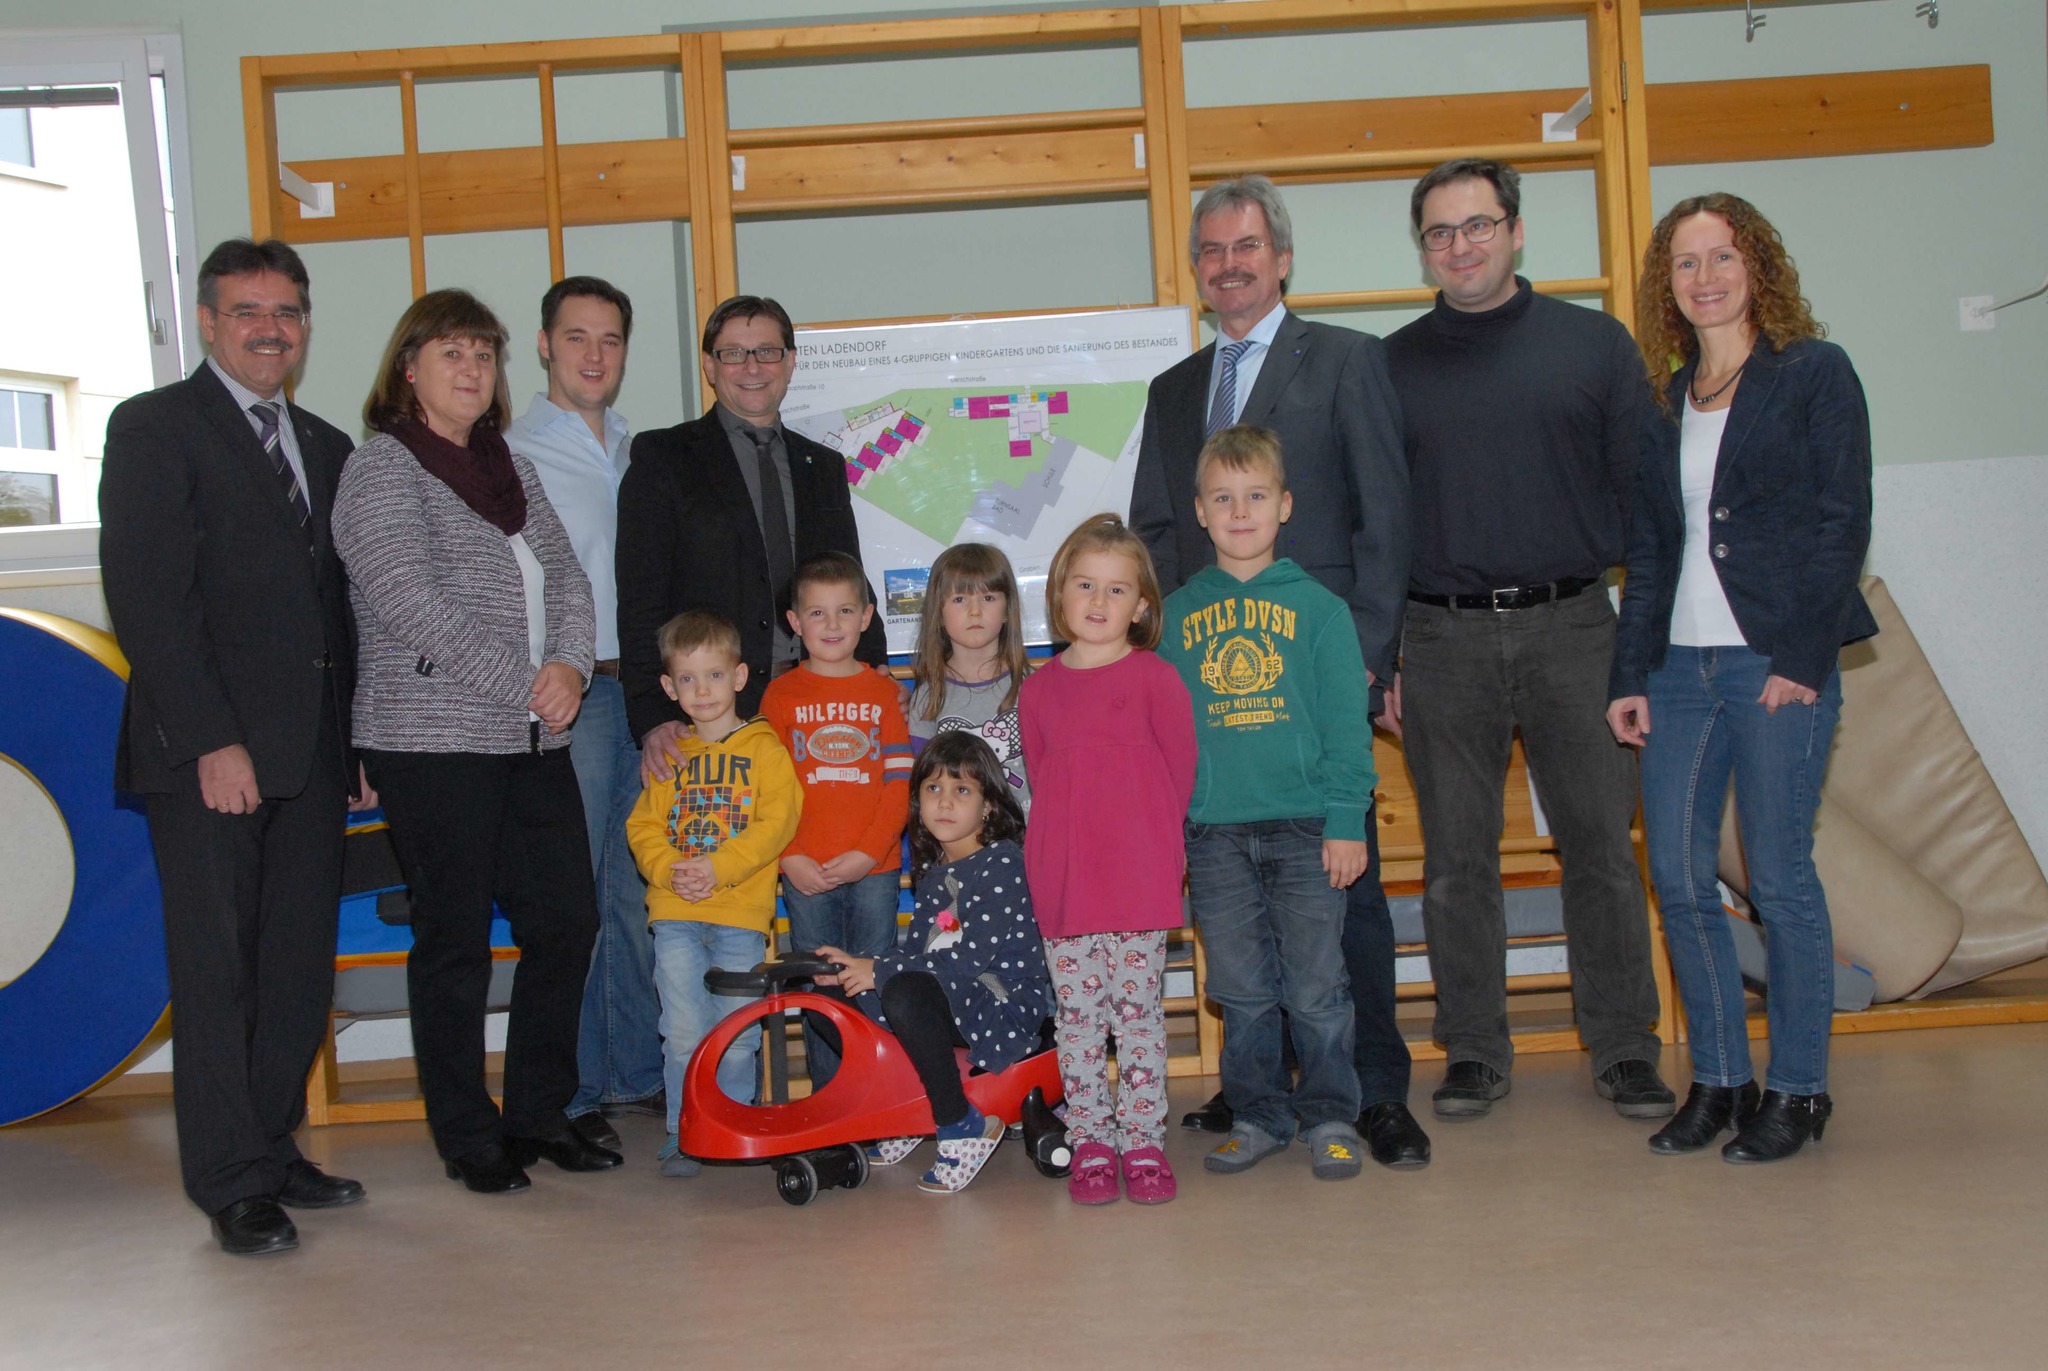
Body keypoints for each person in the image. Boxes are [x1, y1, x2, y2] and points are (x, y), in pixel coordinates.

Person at [1130, 173, 1428, 1169]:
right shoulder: (1172, 392)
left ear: (1281, 257)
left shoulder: (1346, 362)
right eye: (1211, 250)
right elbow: (1156, 535)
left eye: (1246, 246)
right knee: (1240, 927)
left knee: (1344, 907)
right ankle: (1258, 1095)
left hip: (1315, 679)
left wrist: (1375, 659)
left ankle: (1371, 1096)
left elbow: (1384, 518)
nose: (1228, 264)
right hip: (1212, 691)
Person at [1383, 157, 1672, 1123]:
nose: (1459, 245)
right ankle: (1472, 1048)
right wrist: (1381, 656)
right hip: (1442, 637)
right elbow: (1373, 527)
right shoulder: (1392, 364)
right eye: (1439, 231)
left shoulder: (1594, 347)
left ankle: (1626, 1046)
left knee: (1599, 844)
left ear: (1514, 230)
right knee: (1458, 857)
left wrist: (1641, 655)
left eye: (1477, 225)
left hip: (1577, 628)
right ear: (1422, 247)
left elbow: (1648, 505)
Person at [99, 238, 369, 1256]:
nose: (271, 328)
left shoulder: (329, 444)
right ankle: (227, 1181)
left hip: (311, 756)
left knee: (298, 967)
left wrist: (351, 743)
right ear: (209, 320)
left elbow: (333, 614)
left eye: (289, 311)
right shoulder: (155, 428)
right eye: (249, 310)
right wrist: (214, 740)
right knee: (218, 972)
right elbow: (150, 602)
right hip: (207, 755)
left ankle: (269, 1144)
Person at [1608, 193, 1876, 1164]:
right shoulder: (1660, 401)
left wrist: (1802, 662)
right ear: (1666, 287)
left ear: (1755, 265)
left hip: (1772, 665)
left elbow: (1839, 521)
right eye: (1684, 263)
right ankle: (1720, 1080)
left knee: (1777, 877)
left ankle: (1798, 1090)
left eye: (1721, 256)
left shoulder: (1811, 375)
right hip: (1677, 670)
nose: (1704, 277)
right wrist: (1627, 671)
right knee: (1677, 878)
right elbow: (1647, 547)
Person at [334, 288, 618, 1195]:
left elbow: (569, 578)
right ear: (408, 368)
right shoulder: (382, 469)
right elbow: (407, 602)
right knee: (453, 940)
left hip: (531, 735)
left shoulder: (508, 466)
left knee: (566, 922)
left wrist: (570, 663)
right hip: (435, 740)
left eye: (483, 355)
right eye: (450, 353)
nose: (470, 370)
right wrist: (528, 685)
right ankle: (467, 1131)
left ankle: (539, 1110)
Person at [1158, 425, 1375, 1181]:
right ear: (1199, 511)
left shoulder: (1320, 610)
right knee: (1240, 987)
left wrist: (1348, 820)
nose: (1239, 511)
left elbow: (1349, 724)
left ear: (1284, 505)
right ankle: (1257, 1114)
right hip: (1213, 834)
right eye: (1223, 498)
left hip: (1309, 827)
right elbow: (1163, 740)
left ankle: (1331, 1115)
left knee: (1317, 986)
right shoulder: (1176, 616)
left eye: (1255, 497)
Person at [505, 275, 662, 1153]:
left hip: (642, 691)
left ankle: (632, 1072)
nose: (594, 355)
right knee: (575, 899)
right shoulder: (511, 452)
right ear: (543, 345)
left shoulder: (645, 450)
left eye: (610, 339)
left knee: (635, 892)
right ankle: (568, 1089)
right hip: (563, 692)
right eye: (576, 338)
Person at [616, 294, 886, 775]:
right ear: (709, 365)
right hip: (706, 713)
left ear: (790, 362)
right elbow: (640, 598)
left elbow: (849, 577)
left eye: (767, 351)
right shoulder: (664, 457)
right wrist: (654, 717)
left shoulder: (822, 466)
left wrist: (875, 675)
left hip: (815, 702)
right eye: (733, 353)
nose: (752, 366)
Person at [1021, 514, 1196, 1205]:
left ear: (1142, 606)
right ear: (1061, 595)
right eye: (1085, 585)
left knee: (1140, 1015)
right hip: (1066, 884)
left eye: (1116, 589)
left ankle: (1144, 1141)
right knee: (1080, 1019)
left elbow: (1178, 775)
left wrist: (1152, 849)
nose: (1098, 601)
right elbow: (1043, 777)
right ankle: (1092, 1137)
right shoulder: (1039, 689)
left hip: (1139, 878)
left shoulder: (1156, 678)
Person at [815, 732, 1050, 1194]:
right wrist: (859, 966)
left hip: (1001, 1005)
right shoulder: (934, 872)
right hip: (952, 994)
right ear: (918, 801)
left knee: (902, 989)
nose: (944, 802)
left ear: (987, 806)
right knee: (828, 996)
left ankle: (962, 1124)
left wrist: (881, 971)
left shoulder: (1001, 862)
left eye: (961, 790)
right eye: (933, 789)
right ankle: (908, 1105)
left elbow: (969, 960)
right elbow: (918, 956)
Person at [624, 611, 802, 1178]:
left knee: (738, 1031)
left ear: (741, 676)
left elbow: (778, 821)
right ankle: (688, 1131)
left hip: (740, 916)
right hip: (675, 912)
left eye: (714, 676)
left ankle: (733, 1127)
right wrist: (670, 868)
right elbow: (643, 828)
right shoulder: (668, 757)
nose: (702, 691)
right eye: (688, 679)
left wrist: (718, 867)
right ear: (669, 688)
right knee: (681, 1031)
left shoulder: (765, 750)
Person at [759, 552, 914, 1089]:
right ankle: (832, 1102)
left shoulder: (884, 694)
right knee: (819, 988)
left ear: (867, 618)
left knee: (872, 982)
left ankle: (880, 1093)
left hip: (875, 868)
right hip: (805, 871)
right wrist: (788, 856)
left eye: (844, 611)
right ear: (794, 622)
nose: (832, 625)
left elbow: (900, 784)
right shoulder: (779, 697)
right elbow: (767, 791)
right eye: (817, 614)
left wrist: (871, 851)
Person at [905, 542, 1032, 810]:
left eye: (988, 598)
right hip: (960, 847)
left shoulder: (1033, 687)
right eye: (960, 599)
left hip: (1028, 842)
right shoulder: (927, 699)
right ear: (938, 613)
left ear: (1007, 610)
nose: (975, 611)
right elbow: (925, 789)